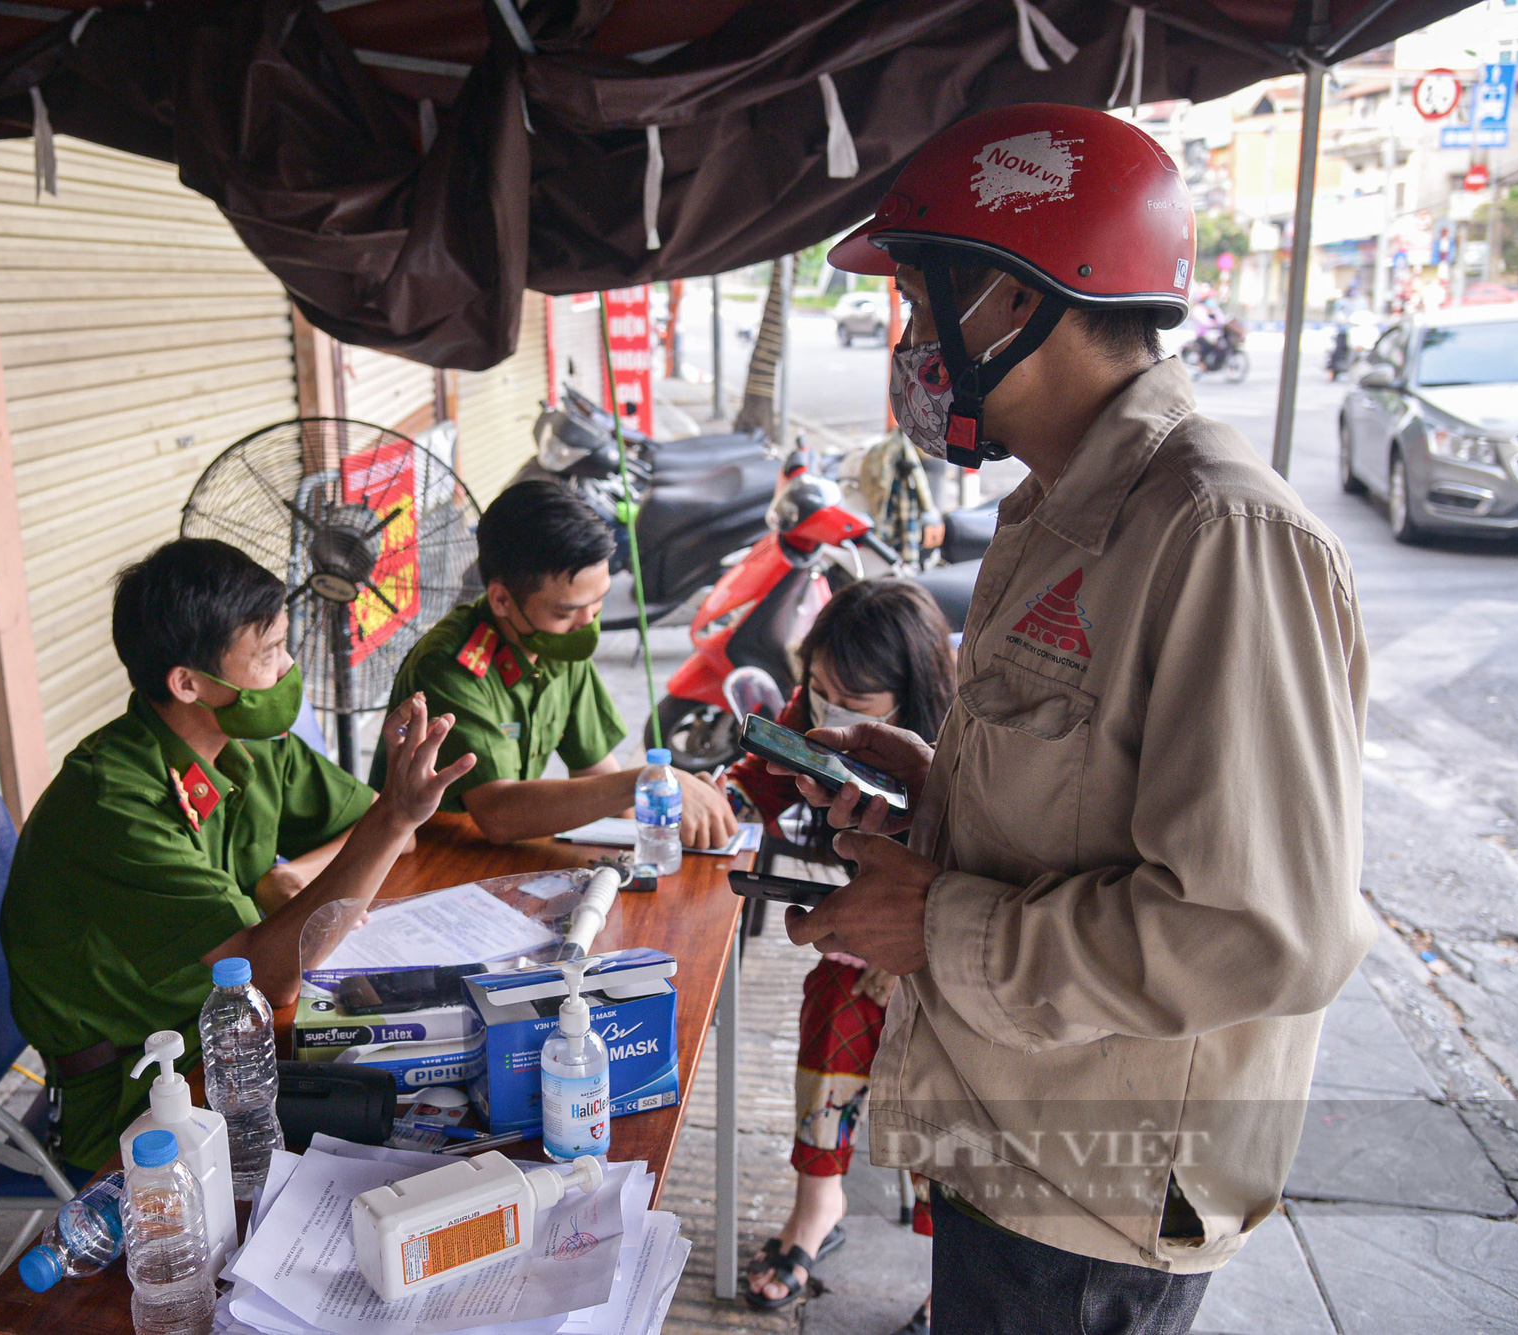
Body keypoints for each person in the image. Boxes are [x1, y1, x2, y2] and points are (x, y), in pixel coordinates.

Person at [782, 103, 1370, 1332]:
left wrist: (935, 922)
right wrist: (936, 777)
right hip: (1004, 1143)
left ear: (1009, 300)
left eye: (922, 294)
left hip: (1091, 1199)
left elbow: (1261, 929)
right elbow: (1090, 790)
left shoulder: (1216, 536)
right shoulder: (1050, 513)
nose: (910, 341)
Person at [2, 538, 473, 1174]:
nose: (286, 672)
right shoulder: (112, 801)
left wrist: (299, 874)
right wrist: (392, 817)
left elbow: (387, 835)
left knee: (447, 1069)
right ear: (189, 683)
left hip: (233, 1034)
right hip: (144, 1088)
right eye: (269, 653)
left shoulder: (246, 743)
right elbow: (268, 973)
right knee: (396, 1150)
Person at [726, 581, 955, 1325]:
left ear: (912, 694)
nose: (831, 713)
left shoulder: (963, 744)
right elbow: (753, 782)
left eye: (856, 699)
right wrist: (719, 797)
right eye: (820, 689)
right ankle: (816, 1209)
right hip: (858, 948)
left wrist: (918, 953)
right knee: (833, 1010)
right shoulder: (811, 713)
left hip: (956, 960)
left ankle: (955, 1269)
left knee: (941, 1089)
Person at [374, 480, 737, 848]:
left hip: (500, 854)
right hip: (426, 856)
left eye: (598, 602)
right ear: (500, 599)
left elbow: (596, 771)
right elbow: (497, 813)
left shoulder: (558, 642)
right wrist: (645, 779)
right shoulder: (449, 667)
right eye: (566, 611)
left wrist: (666, 818)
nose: (587, 622)